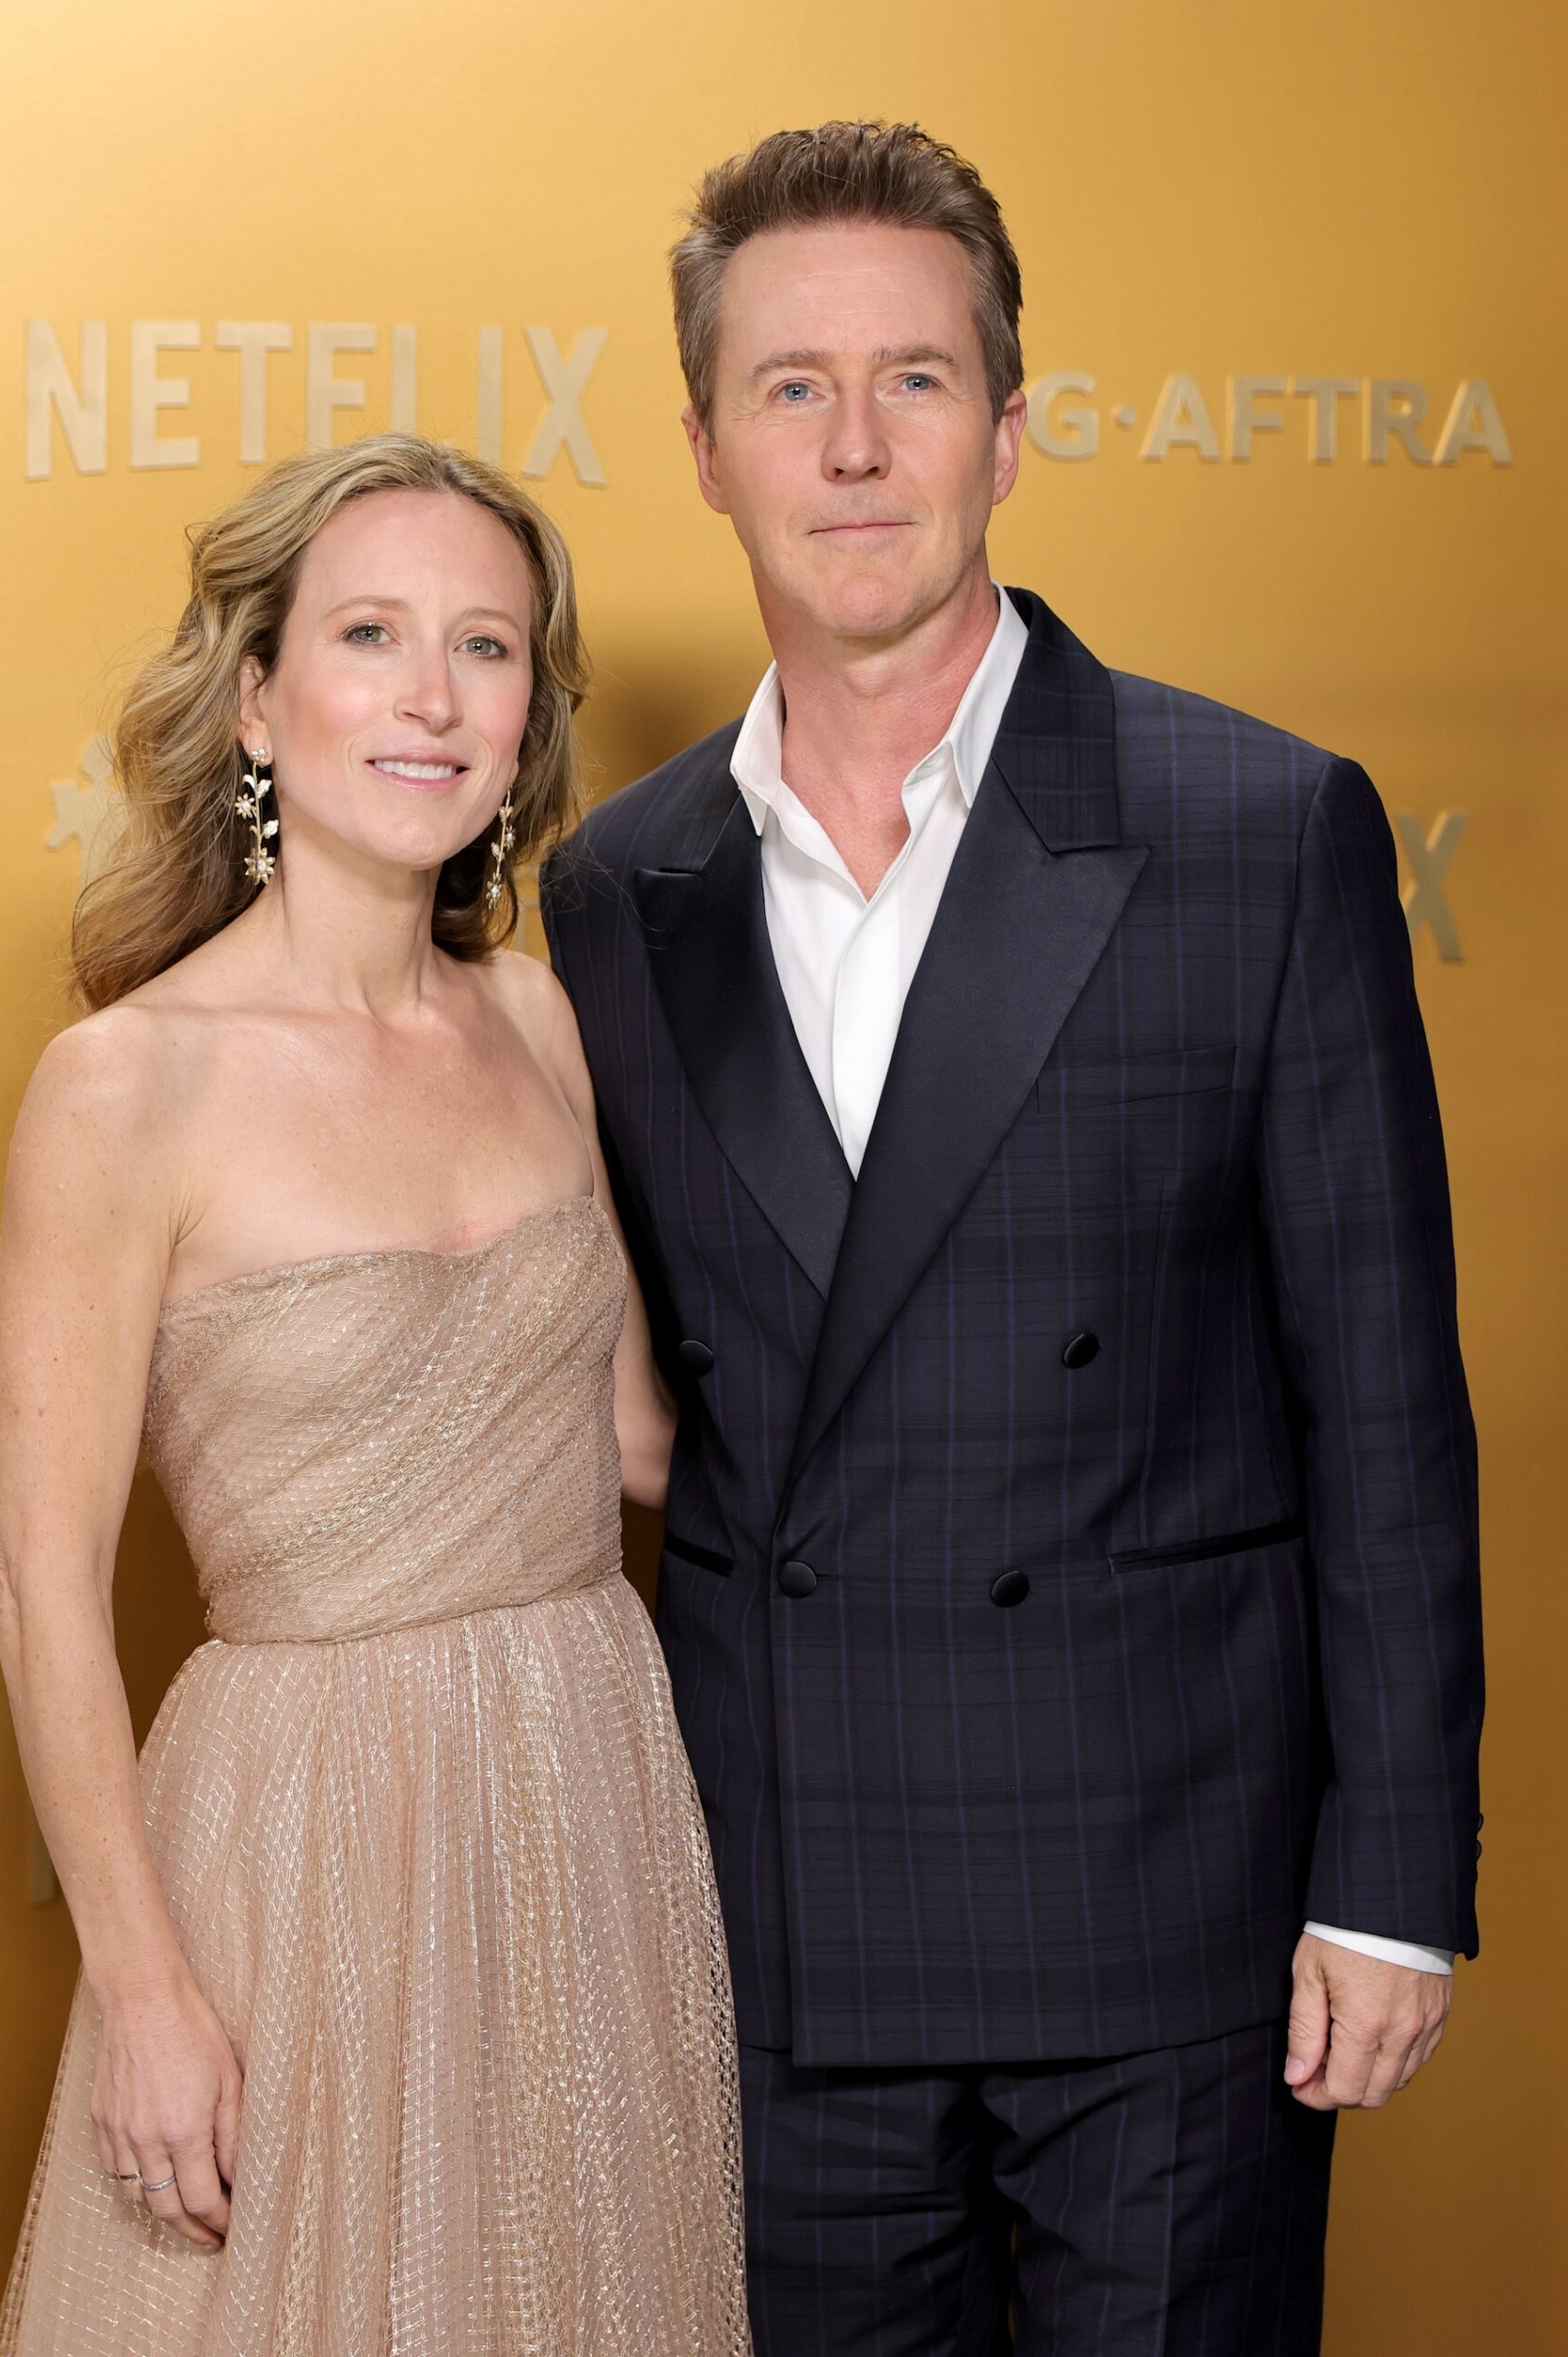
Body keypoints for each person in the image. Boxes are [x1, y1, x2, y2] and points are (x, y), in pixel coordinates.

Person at [540, 121, 1482, 2355]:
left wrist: (1392, 1878)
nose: (853, 448)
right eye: (789, 389)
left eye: (915, 382)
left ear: (1013, 428)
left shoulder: (1256, 827)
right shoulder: (615, 887)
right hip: (783, 1915)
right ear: (699, 446)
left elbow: (1383, 1407)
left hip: (1175, 1919)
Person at [0, 434, 749, 2356]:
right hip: (306, 1831)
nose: (431, 695)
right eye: (373, 634)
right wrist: (143, 1984)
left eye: (486, 647)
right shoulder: (126, 1082)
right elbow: (43, 1581)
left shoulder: (533, 1014)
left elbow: (640, 1441)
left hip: (586, 1794)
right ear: (259, 692)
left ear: (525, 718)